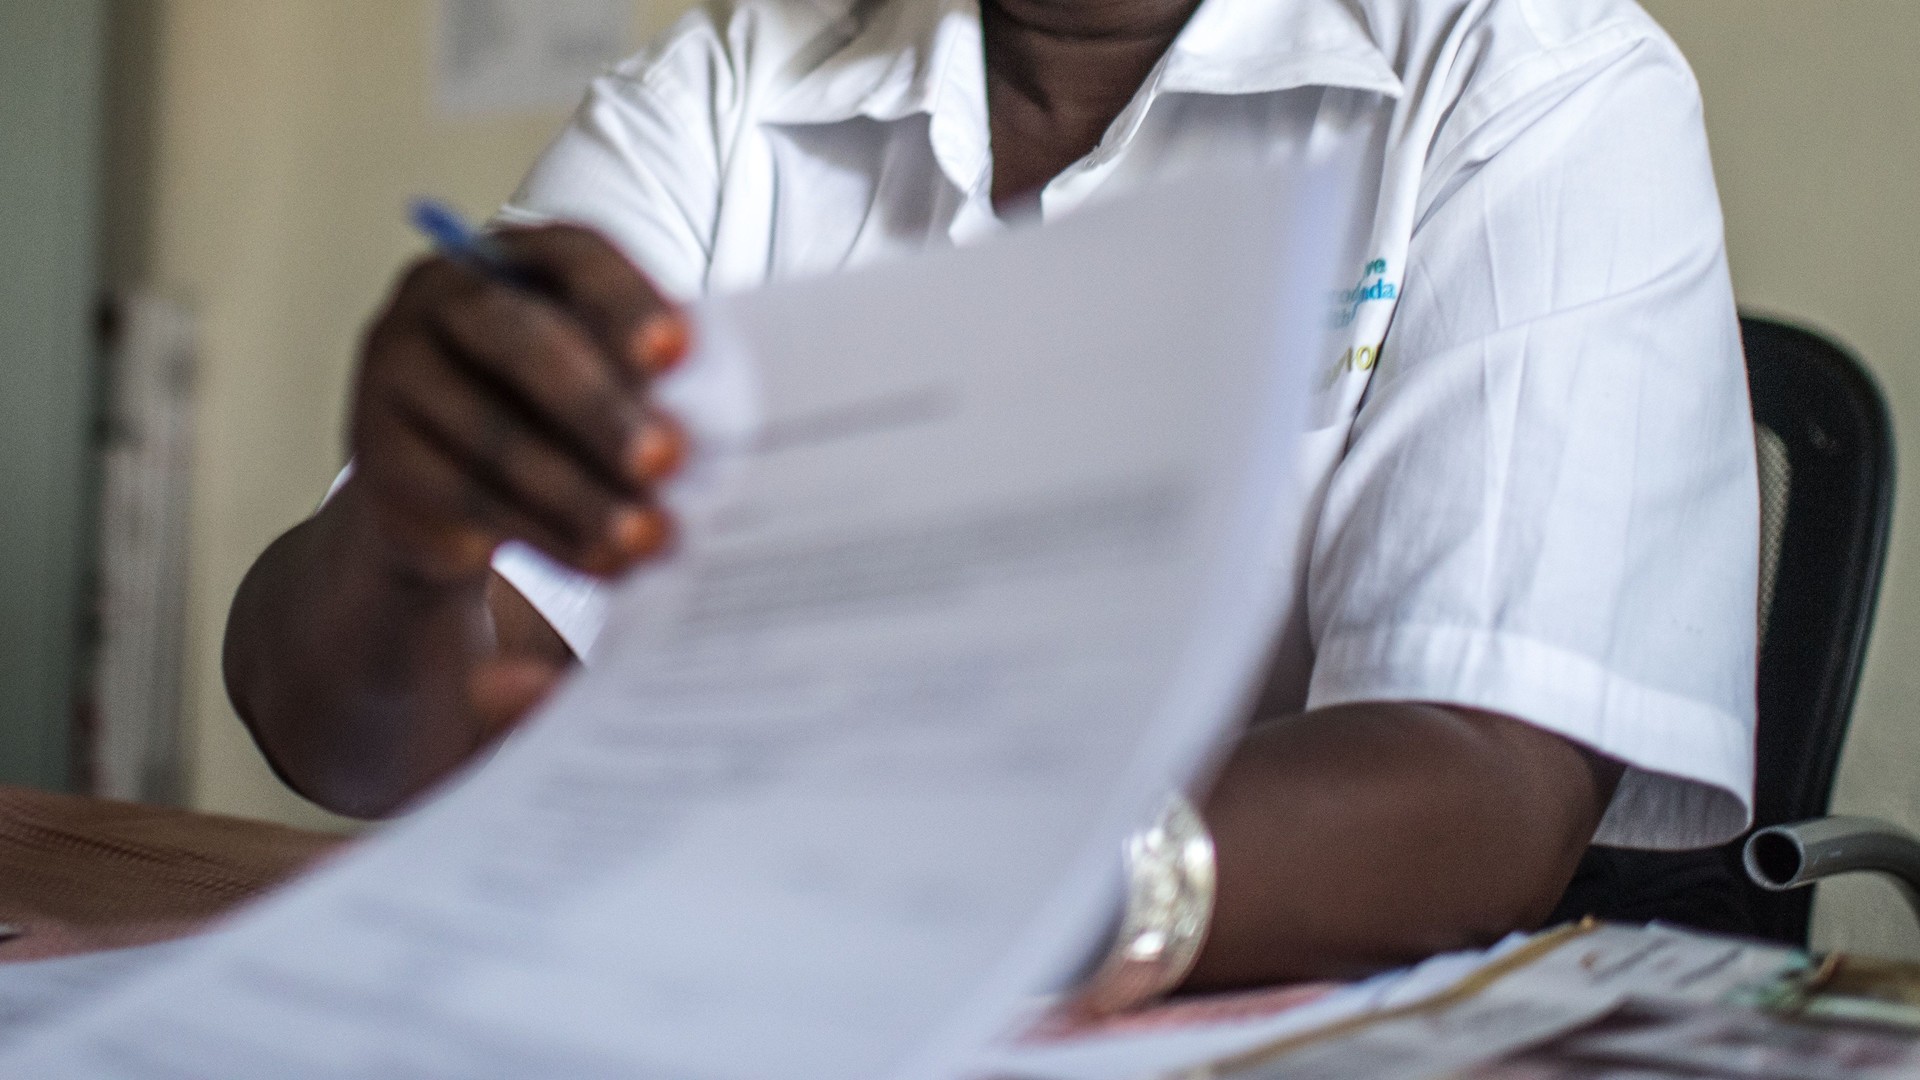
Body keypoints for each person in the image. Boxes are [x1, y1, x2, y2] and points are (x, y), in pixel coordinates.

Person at [223, 0, 1759, 996]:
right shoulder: (727, 94)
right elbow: (369, 735)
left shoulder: (1530, 85)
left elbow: (1488, 790)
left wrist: (930, 889)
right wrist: (409, 539)